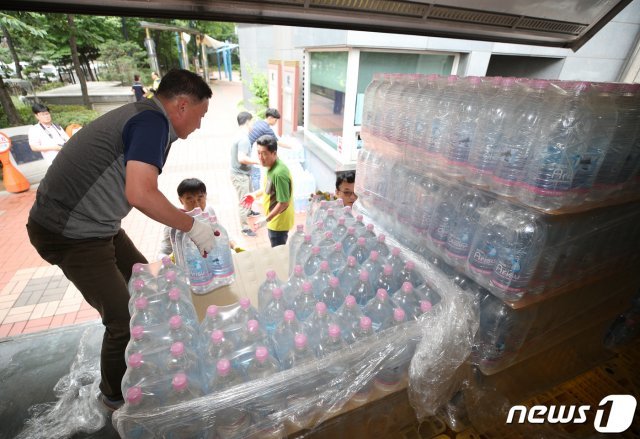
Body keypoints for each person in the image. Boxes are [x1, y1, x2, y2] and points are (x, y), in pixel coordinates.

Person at [26, 69, 214, 411]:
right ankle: (114, 399)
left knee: (144, 283)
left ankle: (146, 357)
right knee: (121, 319)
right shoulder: (152, 123)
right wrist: (192, 226)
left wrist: (180, 221)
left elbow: (140, 190)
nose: (199, 125)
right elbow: (140, 192)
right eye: (200, 116)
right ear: (182, 105)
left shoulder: (145, 115)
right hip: (70, 233)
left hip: (97, 225)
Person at [158, 178, 239, 258]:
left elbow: (220, 232)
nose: (196, 205)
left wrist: (235, 246)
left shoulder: (209, 211)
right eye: (190, 200)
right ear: (181, 200)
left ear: (205, 196)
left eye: (200, 198)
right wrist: (166, 259)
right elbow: (164, 251)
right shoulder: (174, 222)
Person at [241, 134, 294, 247]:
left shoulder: (279, 173)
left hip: (278, 222)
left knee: (277, 252)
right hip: (274, 219)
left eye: (264, 153)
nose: (260, 157)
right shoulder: (271, 166)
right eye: (258, 153)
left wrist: (266, 219)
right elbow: (269, 188)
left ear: (274, 153)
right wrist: (254, 195)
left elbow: (284, 203)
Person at [230, 111, 259, 237]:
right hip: (240, 175)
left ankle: (250, 212)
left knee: (250, 194)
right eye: (252, 121)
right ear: (248, 122)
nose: (253, 124)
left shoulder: (239, 135)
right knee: (244, 202)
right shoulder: (244, 139)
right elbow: (241, 158)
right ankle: (245, 228)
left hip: (243, 174)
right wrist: (258, 161)